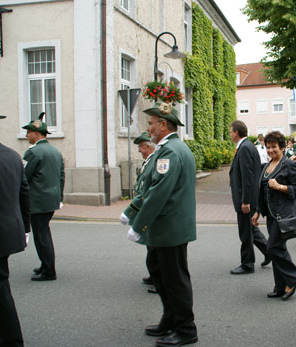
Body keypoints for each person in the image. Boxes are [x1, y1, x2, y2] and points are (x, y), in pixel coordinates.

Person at [122, 101, 198, 346]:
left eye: (152, 124)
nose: (149, 128)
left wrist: (138, 225)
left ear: (163, 125)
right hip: (167, 228)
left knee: (174, 280)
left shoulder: (169, 151)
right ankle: (170, 318)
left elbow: (158, 193)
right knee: (159, 273)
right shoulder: (170, 148)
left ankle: (186, 329)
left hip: (170, 229)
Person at [0, 102, 30, 346]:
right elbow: (24, 192)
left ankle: (10, 341)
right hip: (6, 232)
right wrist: (25, 228)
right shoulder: (12, 155)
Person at [251, 131, 296, 301]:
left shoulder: (288, 164)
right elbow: (262, 192)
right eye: (268, 147)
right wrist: (257, 211)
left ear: (282, 147)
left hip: (283, 215)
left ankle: (293, 278)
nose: (271, 150)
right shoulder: (266, 166)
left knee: (272, 248)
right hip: (271, 215)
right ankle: (280, 286)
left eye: (274, 147)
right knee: (278, 249)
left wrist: (280, 187)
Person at [22, 113, 64, 281]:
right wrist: (59, 197)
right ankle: (45, 264)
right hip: (52, 200)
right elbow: (62, 177)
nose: (26, 135)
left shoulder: (32, 152)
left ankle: (49, 270)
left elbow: (24, 177)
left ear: (37, 134)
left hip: (37, 201)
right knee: (43, 232)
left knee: (41, 235)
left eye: (29, 132)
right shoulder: (56, 152)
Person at [229, 120, 270, 275]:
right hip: (248, 198)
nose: (230, 133)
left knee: (245, 232)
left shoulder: (245, 148)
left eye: (231, 131)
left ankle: (247, 264)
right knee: (251, 229)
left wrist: (245, 201)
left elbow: (248, 177)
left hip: (245, 200)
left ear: (237, 132)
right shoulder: (246, 146)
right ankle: (269, 252)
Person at [124, 132, 158, 293]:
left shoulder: (154, 161)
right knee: (150, 246)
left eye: (141, 147)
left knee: (154, 248)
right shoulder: (148, 161)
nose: (139, 151)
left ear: (148, 147)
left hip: (148, 209)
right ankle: (154, 275)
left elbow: (148, 190)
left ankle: (159, 279)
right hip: (144, 208)